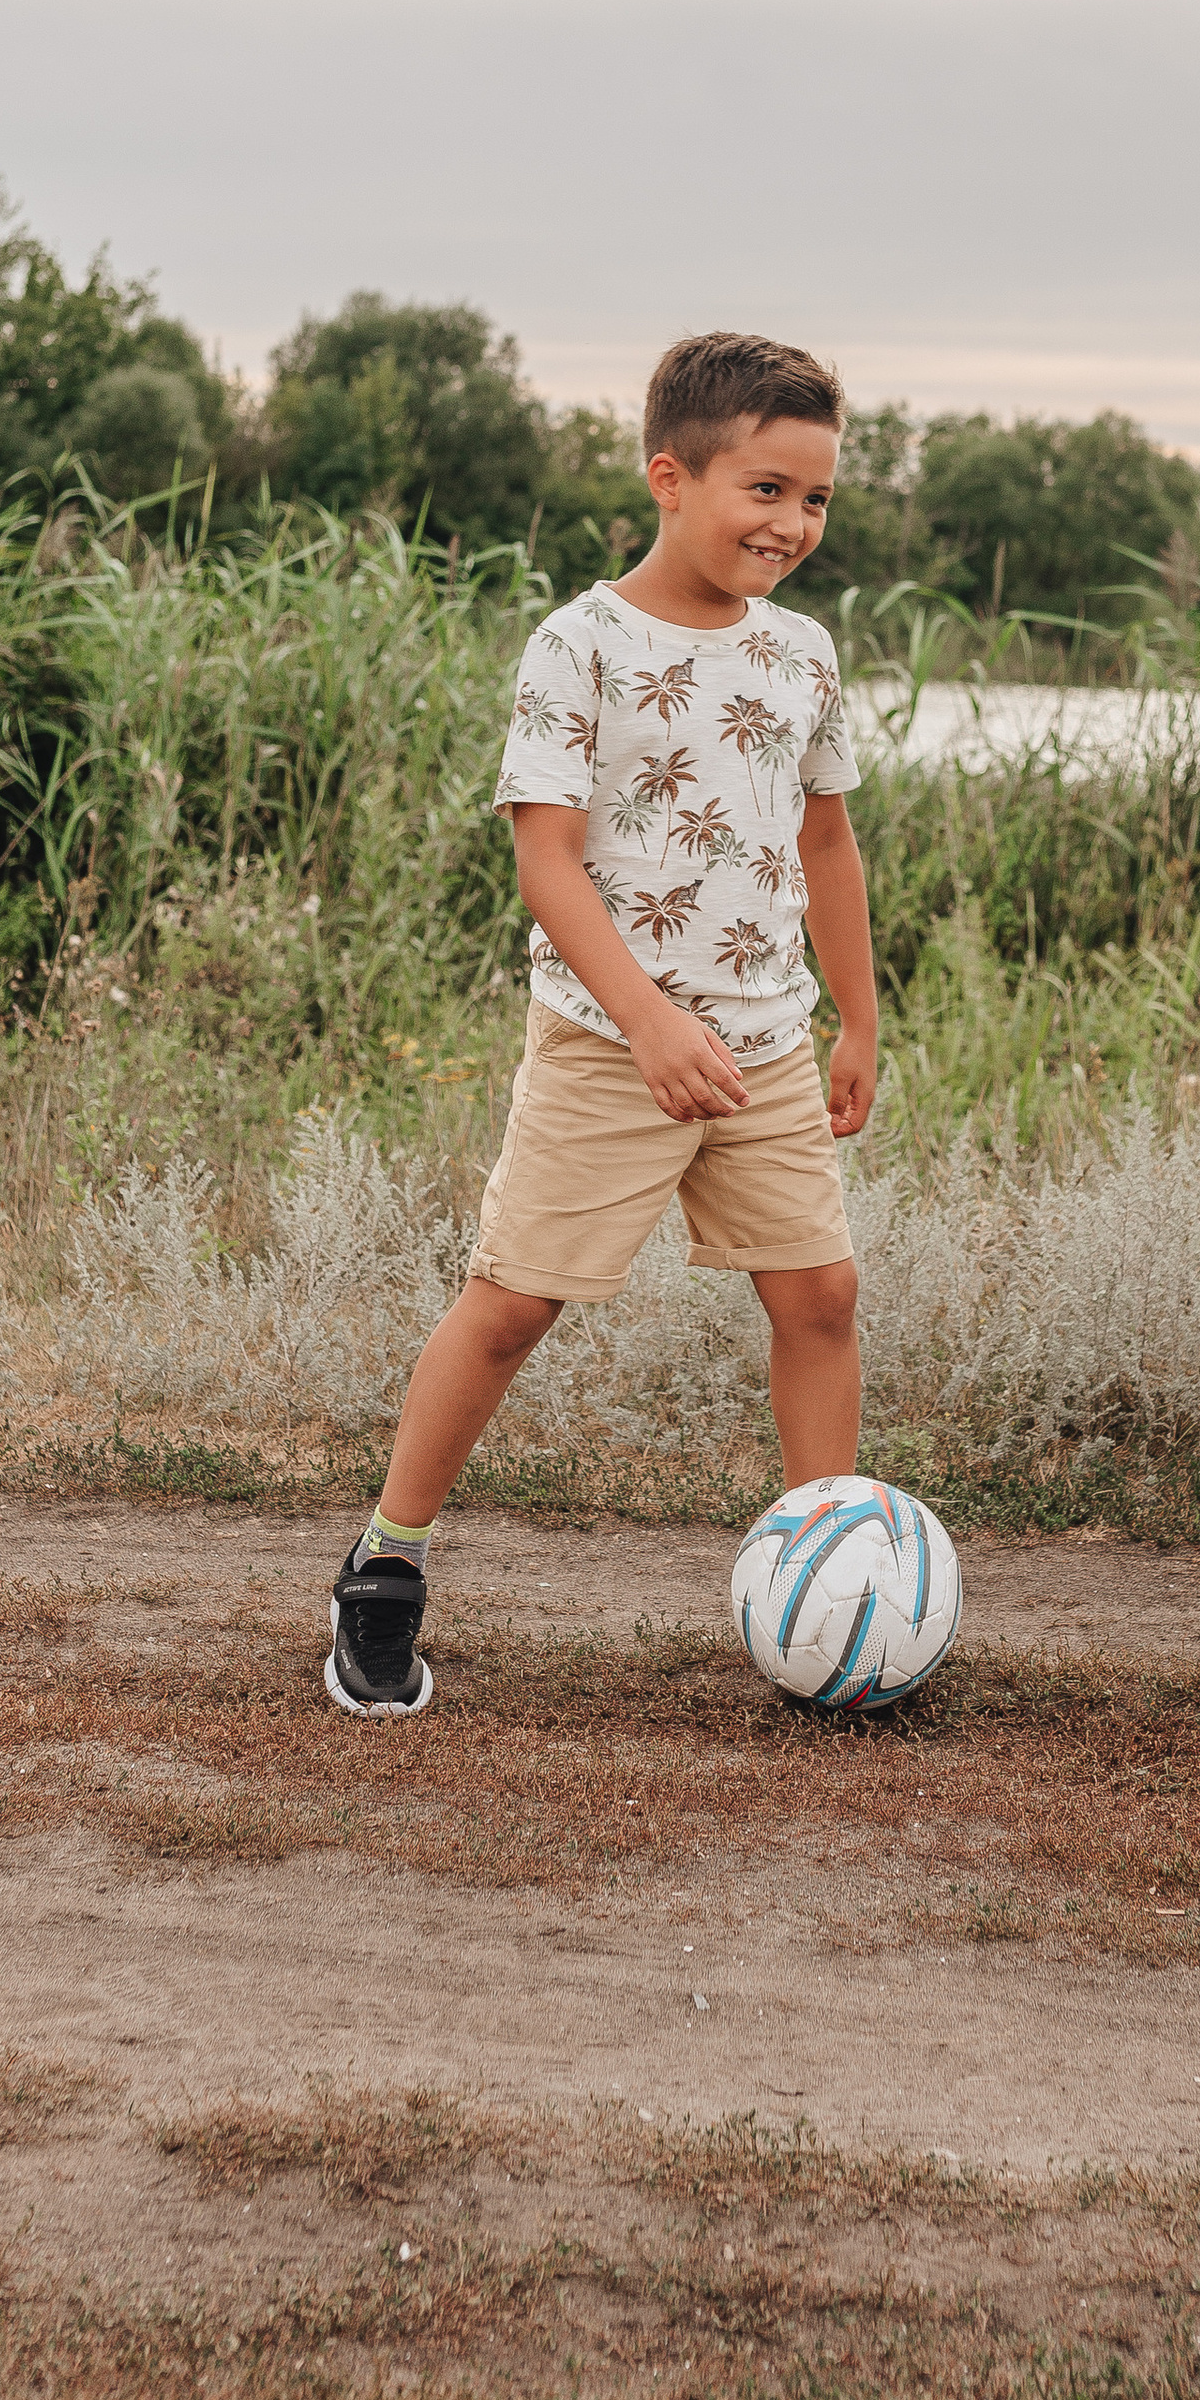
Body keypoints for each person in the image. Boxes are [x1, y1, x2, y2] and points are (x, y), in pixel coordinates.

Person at [324, 332, 878, 1718]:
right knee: (514, 1304)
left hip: (767, 1042)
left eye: (815, 498)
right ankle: (385, 1569)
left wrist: (858, 1022)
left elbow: (825, 843)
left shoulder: (803, 655)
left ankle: (831, 1590)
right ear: (670, 478)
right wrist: (646, 1023)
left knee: (820, 1298)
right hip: (605, 1041)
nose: (791, 523)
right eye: (764, 489)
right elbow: (548, 861)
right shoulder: (580, 645)